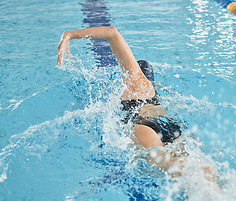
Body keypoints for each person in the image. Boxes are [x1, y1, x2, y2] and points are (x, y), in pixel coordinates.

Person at [57, 26, 218, 183]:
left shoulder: (136, 81)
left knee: (168, 165)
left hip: (145, 126)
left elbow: (112, 33)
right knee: (197, 168)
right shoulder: (152, 93)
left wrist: (69, 34)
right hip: (171, 125)